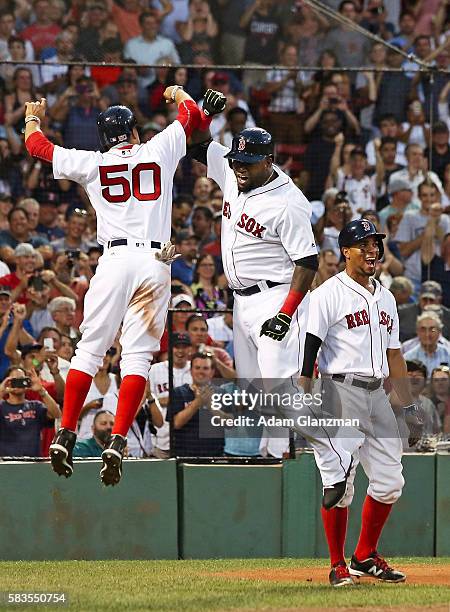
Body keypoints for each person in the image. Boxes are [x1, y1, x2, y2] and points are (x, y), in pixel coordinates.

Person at [23, 85, 202, 485]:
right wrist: (175, 91)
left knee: (88, 349)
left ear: (104, 138)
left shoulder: (92, 163)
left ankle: (66, 431)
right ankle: (119, 438)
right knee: (137, 357)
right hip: (156, 262)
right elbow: (193, 116)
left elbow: (37, 147)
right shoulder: (159, 148)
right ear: (134, 132)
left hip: (114, 259)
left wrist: (33, 117)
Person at [188, 90, 354, 501]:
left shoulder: (289, 202)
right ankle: (282, 450)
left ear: (270, 161)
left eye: (247, 163)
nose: (239, 169)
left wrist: (286, 312)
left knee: (281, 396)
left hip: (276, 298)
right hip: (241, 302)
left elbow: (308, 262)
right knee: (262, 396)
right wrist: (202, 115)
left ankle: (336, 456)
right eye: (236, 162)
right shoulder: (233, 170)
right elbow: (195, 145)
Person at [300, 218, 423, 586]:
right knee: (340, 482)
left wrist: (409, 405)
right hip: (341, 391)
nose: (373, 250)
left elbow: (396, 355)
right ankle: (337, 563)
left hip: (378, 394)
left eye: (376, 244)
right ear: (346, 252)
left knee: (389, 481)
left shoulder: (385, 296)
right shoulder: (327, 293)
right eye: (365, 244)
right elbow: (310, 348)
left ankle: (364, 555)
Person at [0, 365, 61, 458]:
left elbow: (56, 414)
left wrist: (41, 390)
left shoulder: (36, 406)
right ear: (7, 383)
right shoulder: (2, 407)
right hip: (7, 463)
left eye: (21, 380)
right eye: (14, 380)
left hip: (33, 462)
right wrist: (1, 392)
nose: (19, 383)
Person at [148, 332, 192, 458]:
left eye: (184, 347)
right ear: (170, 348)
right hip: (161, 437)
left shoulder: (196, 369)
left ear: (190, 349)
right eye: (177, 346)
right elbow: (146, 400)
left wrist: (172, 400)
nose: (180, 351)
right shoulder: (155, 370)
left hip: (188, 438)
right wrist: (159, 400)